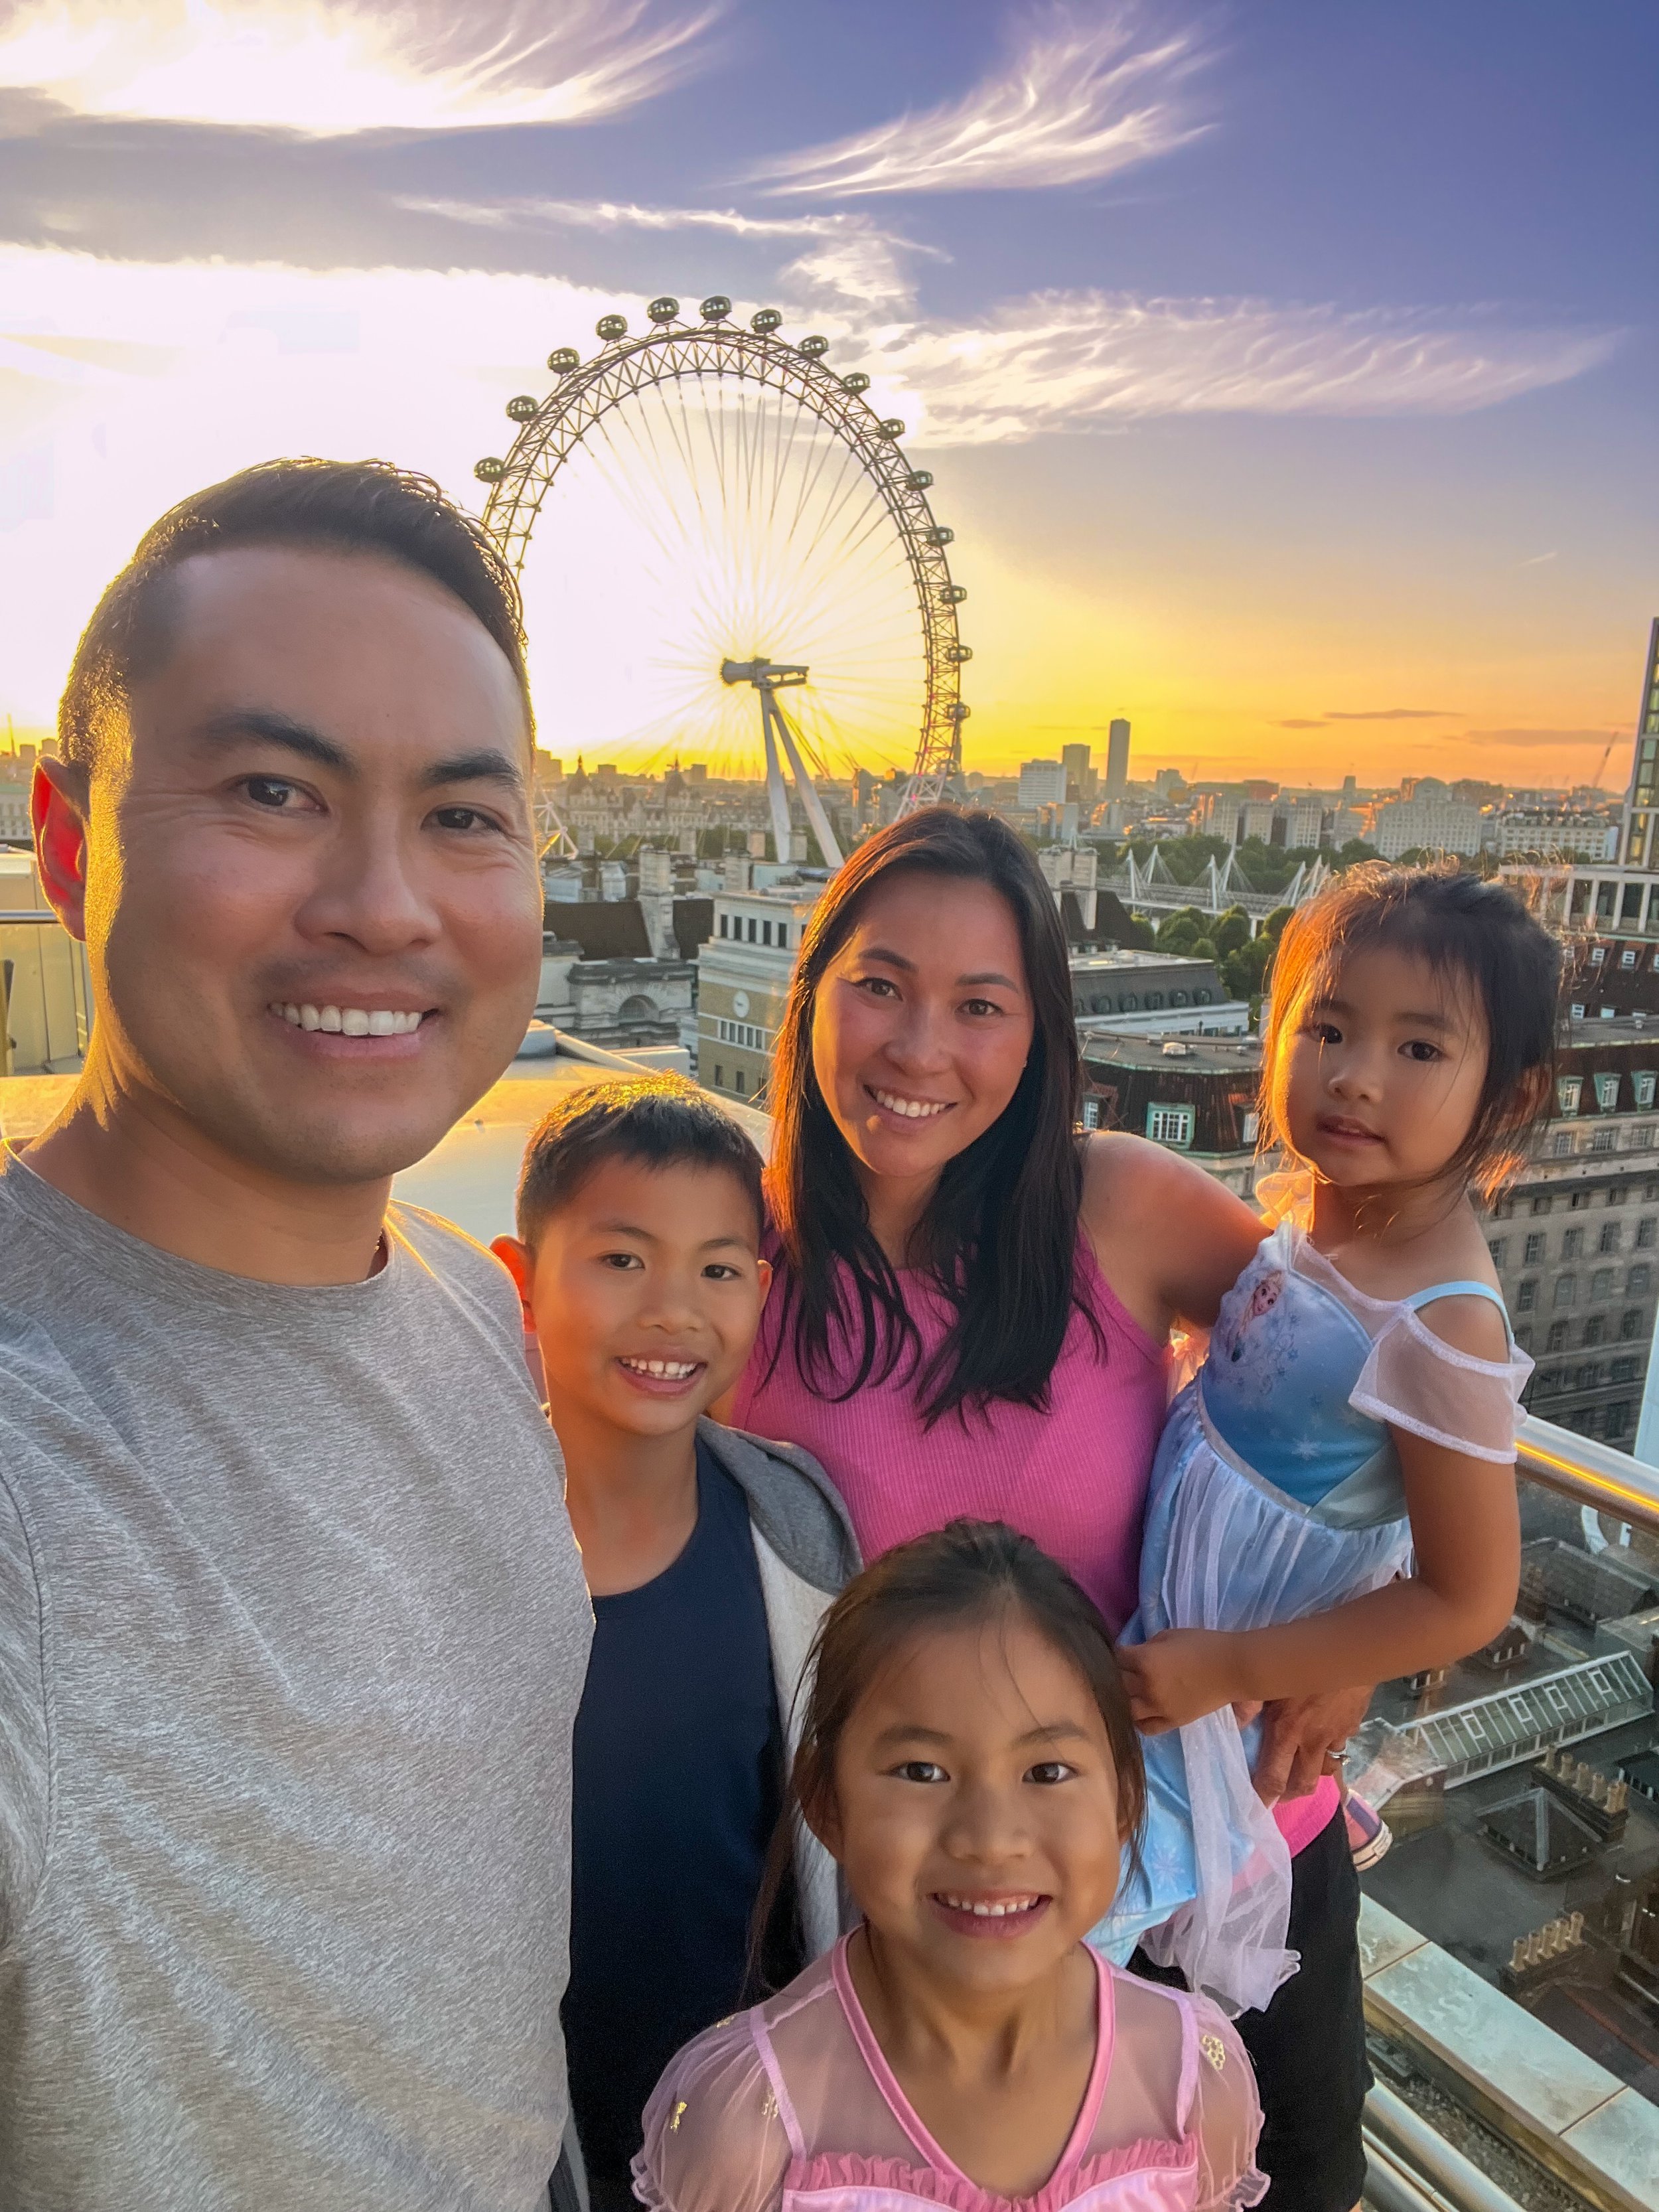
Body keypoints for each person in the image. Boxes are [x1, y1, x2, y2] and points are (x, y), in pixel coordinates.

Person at [0, 461, 593, 2211]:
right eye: (275, 790)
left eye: (464, 815)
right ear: (67, 844)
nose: (384, 903)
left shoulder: (474, 1307)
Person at [729, 807, 1370, 2212]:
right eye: (879, 985)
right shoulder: (739, 1273)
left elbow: (1383, 1396)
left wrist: (1357, 1643)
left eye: (979, 1005)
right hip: (956, 1899)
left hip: (1226, 1848)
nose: (919, 1049)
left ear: (1037, 1040)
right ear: (811, 992)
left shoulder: (1115, 1205)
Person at [1099, 865, 1554, 2015]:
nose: (1355, 1074)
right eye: (1329, 1028)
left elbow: (1470, 1594)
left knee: (1098, 1920)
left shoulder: (1442, 1322)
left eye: (1419, 1048)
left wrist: (1232, 1667)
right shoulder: (1315, 1218)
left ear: (1507, 1098)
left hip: (1223, 1685)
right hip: (1182, 1640)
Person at [632, 1520, 1267, 2212]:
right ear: (826, 1803)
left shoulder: (1191, 2085)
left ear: (1123, 1800)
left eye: (1047, 1771)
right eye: (922, 1771)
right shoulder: (748, 2129)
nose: (990, 1840)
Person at [491, 1076, 861, 2211]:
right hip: (531, 2143)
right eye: (621, 1259)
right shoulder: (451, 1557)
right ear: (520, 1284)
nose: (674, 1310)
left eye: (718, 1269)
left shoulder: (797, 1528)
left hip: (765, 2130)